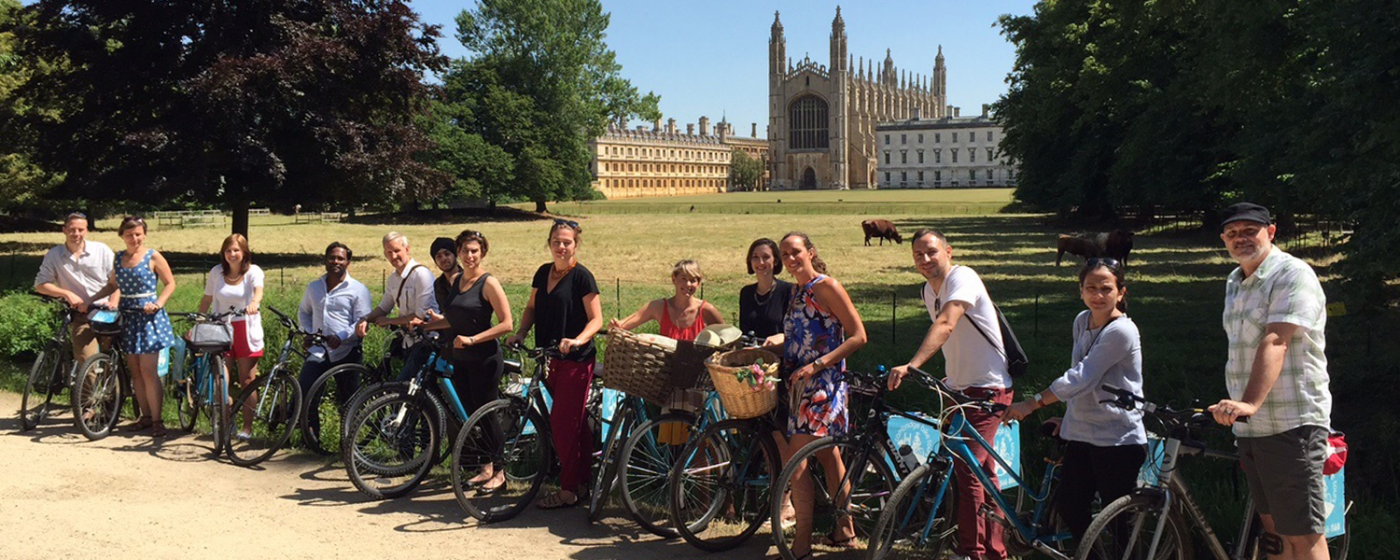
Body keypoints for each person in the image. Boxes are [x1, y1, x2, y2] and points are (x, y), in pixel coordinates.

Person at [1208, 203, 1333, 560]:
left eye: (1250, 230)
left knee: (1303, 536)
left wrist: (1249, 402)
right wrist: (1243, 410)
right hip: (1251, 429)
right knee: (1275, 533)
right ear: (1223, 240)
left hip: (1290, 424)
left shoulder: (1292, 274)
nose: (1241, 239)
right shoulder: (1235, 282)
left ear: (1271, 232)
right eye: (1233, 233)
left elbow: (1277, 340)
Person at [887, 228, 1014, 560]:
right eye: (918, 255)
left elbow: (946, 324)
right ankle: (993, 549)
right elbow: (954, 341)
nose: (926, 259)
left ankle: (972, 551)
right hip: (960, 389)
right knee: (983, 473)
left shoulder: (963, 278)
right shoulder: (929, 291)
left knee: (966, 471)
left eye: (931, 251)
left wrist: (912, 365)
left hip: (988, 390)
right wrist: (950, 377)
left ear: (948, 251)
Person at [1004, 258, 1146, 544]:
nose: (1098, 295)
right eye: (1090, 287)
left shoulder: (1122, 331)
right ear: (1080, 290)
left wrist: (1031, 403)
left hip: (1117, 438)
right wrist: (1068, 417)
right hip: (1081, 434)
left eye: (1106, 288)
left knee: (1117, 518)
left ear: (1121, 292)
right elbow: (1080, 382)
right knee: (1070, 507)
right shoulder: (1082, 321)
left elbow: (1081, 378)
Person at [775, 231, 867, 559]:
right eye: (784, 254)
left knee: (795, 462)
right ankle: (845, 531)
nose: (789, 259)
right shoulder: (796, 292)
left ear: (810, 252)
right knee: (829, 457)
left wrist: (817, 365)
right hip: (801, 385)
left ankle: (801, 541)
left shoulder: (827, 286)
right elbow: (803, 335)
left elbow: (859, 336)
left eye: (795, 252)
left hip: (824, 386)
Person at [506, 219, 604, 509]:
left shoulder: (582, 277)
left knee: (562, 424)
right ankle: (584, 480)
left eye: (567, 242)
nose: (561, 247)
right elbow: (532, 307)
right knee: (575, 423)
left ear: (576, 244)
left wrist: (577, 340)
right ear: (549, 243)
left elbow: (596, 319)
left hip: (576, 360)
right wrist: (521, 332)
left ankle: (568, 490)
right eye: (556, 241)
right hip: (550, 358)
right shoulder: (542, 273)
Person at [422, 230, 513, 491]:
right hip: (461, 358)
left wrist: (474, 339)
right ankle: (485, 468)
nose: (469, 255)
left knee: (487, 414)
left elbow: (507, 324)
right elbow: (454, 319)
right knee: (471, 415)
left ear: (482, 253)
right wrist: (427, 325)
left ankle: (500, 471)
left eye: (474, 251)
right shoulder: (459, 279)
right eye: (465, 250)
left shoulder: (488, 283)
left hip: (484, 358)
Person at [88, 216, 177, 437]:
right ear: (122, 235)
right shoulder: (118, 258)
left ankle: (157, 420)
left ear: (144, 234)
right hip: (127, 316)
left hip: (148, 318)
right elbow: (112, 285)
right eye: (129, 234)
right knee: (135, 371)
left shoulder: (152, 256)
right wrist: (89, 301)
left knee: (149, 372)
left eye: (137, 234)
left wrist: (158, 304)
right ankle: (145, 416)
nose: (134, 238)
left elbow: (170, 283)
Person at [297, 242, 373, 436]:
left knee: (348, 399)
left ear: (348, 262)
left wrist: (340, 337)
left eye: (341, 258)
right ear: (325, 260)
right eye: (332, 257)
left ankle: (348, 443)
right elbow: (303, 312)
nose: (336, 262)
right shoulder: (314, 287)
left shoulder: (358, 290)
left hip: (347, 351)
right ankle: (311, 438)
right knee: (306, 392)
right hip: (319, 350)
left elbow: (362, 321)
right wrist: (308, 332)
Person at [197, 234, 266, 439]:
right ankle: (227, 421)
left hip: (245, 328)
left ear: (244, 252)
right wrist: (199, 319)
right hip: (222, 329)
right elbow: (208, 298)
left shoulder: (253, 272)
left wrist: (254, 303)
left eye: (236, 250)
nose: (232, 254)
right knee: (220, 380)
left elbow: (258, 291)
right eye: (228, 250)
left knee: (247, 379)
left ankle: (247, 427)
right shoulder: (217, 272)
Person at [33, 212, 117, 366]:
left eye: (80, 230)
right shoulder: (54, 255)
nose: (76, 234)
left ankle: (113, 389)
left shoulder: (102, 251)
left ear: (87, 231)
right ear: (64, 230)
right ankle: (88, 390)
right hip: (81, 314)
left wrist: (113, 302)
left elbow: (117, 282)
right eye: (72, 230)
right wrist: (66, 293)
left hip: (106, 312)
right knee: (86, 361)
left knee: (109, 362)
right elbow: (40, 284)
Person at [355, 232, 438, 380]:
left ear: (407, 249)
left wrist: (389, 321)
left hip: (426, 341)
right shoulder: (393, 278)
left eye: (397, 251)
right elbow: (384, 307)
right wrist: (365, 319)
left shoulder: (421, 274)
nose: (393, 256)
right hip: (408, 341)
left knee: (402, 387)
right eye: (389, 252)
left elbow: (421, 315)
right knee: (414, 393)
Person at [610, 259, 723, 341]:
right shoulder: (657, 307)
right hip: (665, 370)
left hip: (699, 372)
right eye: (683, 278)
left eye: (693, 280)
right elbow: (622, 326)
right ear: (674, 279)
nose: (688, 284)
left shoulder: (706, 310)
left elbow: (729, 338)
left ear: (698, 283)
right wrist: (614, 326)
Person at [738, 238, 794, 346]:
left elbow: (798, 331)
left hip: (781, 356)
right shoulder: (746, 293)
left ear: (776, 261)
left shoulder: (789, 291)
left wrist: (783, 337)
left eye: (766, 257)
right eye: (755, 257)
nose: (761, 262)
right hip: (752, 357)